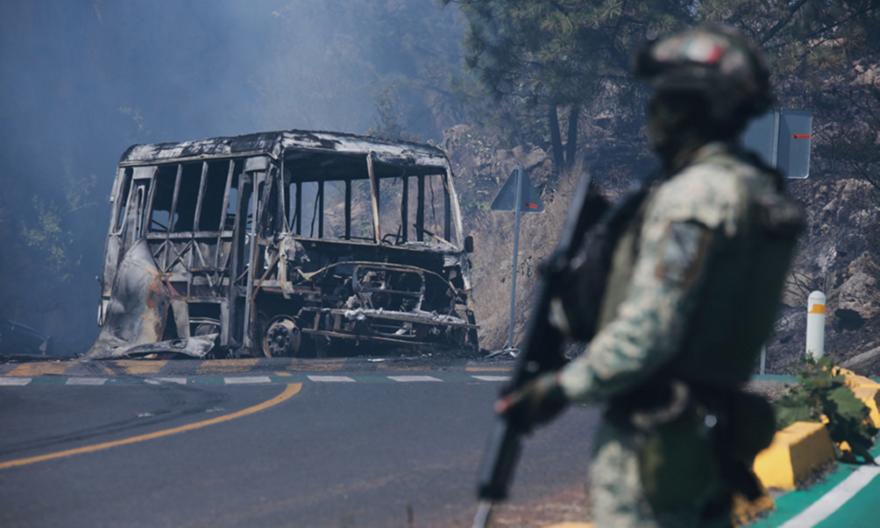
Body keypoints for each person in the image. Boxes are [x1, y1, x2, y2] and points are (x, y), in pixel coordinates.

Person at [497, 25, 804, 527]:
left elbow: (651, 332)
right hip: (712, 439)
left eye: (664, 99)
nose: (653, 114)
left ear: (690, 109)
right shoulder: (759, 194)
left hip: (656, 446)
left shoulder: (695, 199)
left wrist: (556, 389)